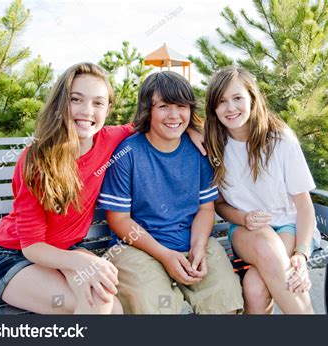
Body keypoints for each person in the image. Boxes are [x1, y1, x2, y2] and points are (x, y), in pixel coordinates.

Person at [0, 62, 205, 314]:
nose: (87, 111)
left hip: (68, 252)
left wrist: (193, 128)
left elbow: (157, 122)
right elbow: (32, 246)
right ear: (61, 103)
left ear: (108, 109)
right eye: (76, 99)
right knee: (95, 307)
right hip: (19, 256)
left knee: (109, 306)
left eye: (98, 103)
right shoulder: (37, 159)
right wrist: (80, 261)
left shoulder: (109, 139)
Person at [98, 71, 244, 314]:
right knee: (155, 307)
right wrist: (165, 256)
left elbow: (205, 209)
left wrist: (198, 246)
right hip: (138, 248)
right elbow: (118, 219)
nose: (174, 115)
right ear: (148, 110)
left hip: (192, 240)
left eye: (181, 106)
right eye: (164, 106)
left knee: (224, 301)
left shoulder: (198, 151)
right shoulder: (128, 154)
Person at [204, 66, 321, 314]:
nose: (230, 108)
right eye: (222, 101)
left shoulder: (280, 140)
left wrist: (301, 254)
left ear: (252, 99)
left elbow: (304, 206)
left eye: (237, 98)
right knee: (267, 243)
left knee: (255, 288)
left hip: (288, 226)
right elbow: (220, 204)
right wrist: (244, 217)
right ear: (214, 108)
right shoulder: (215, 143)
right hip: (246, 230)